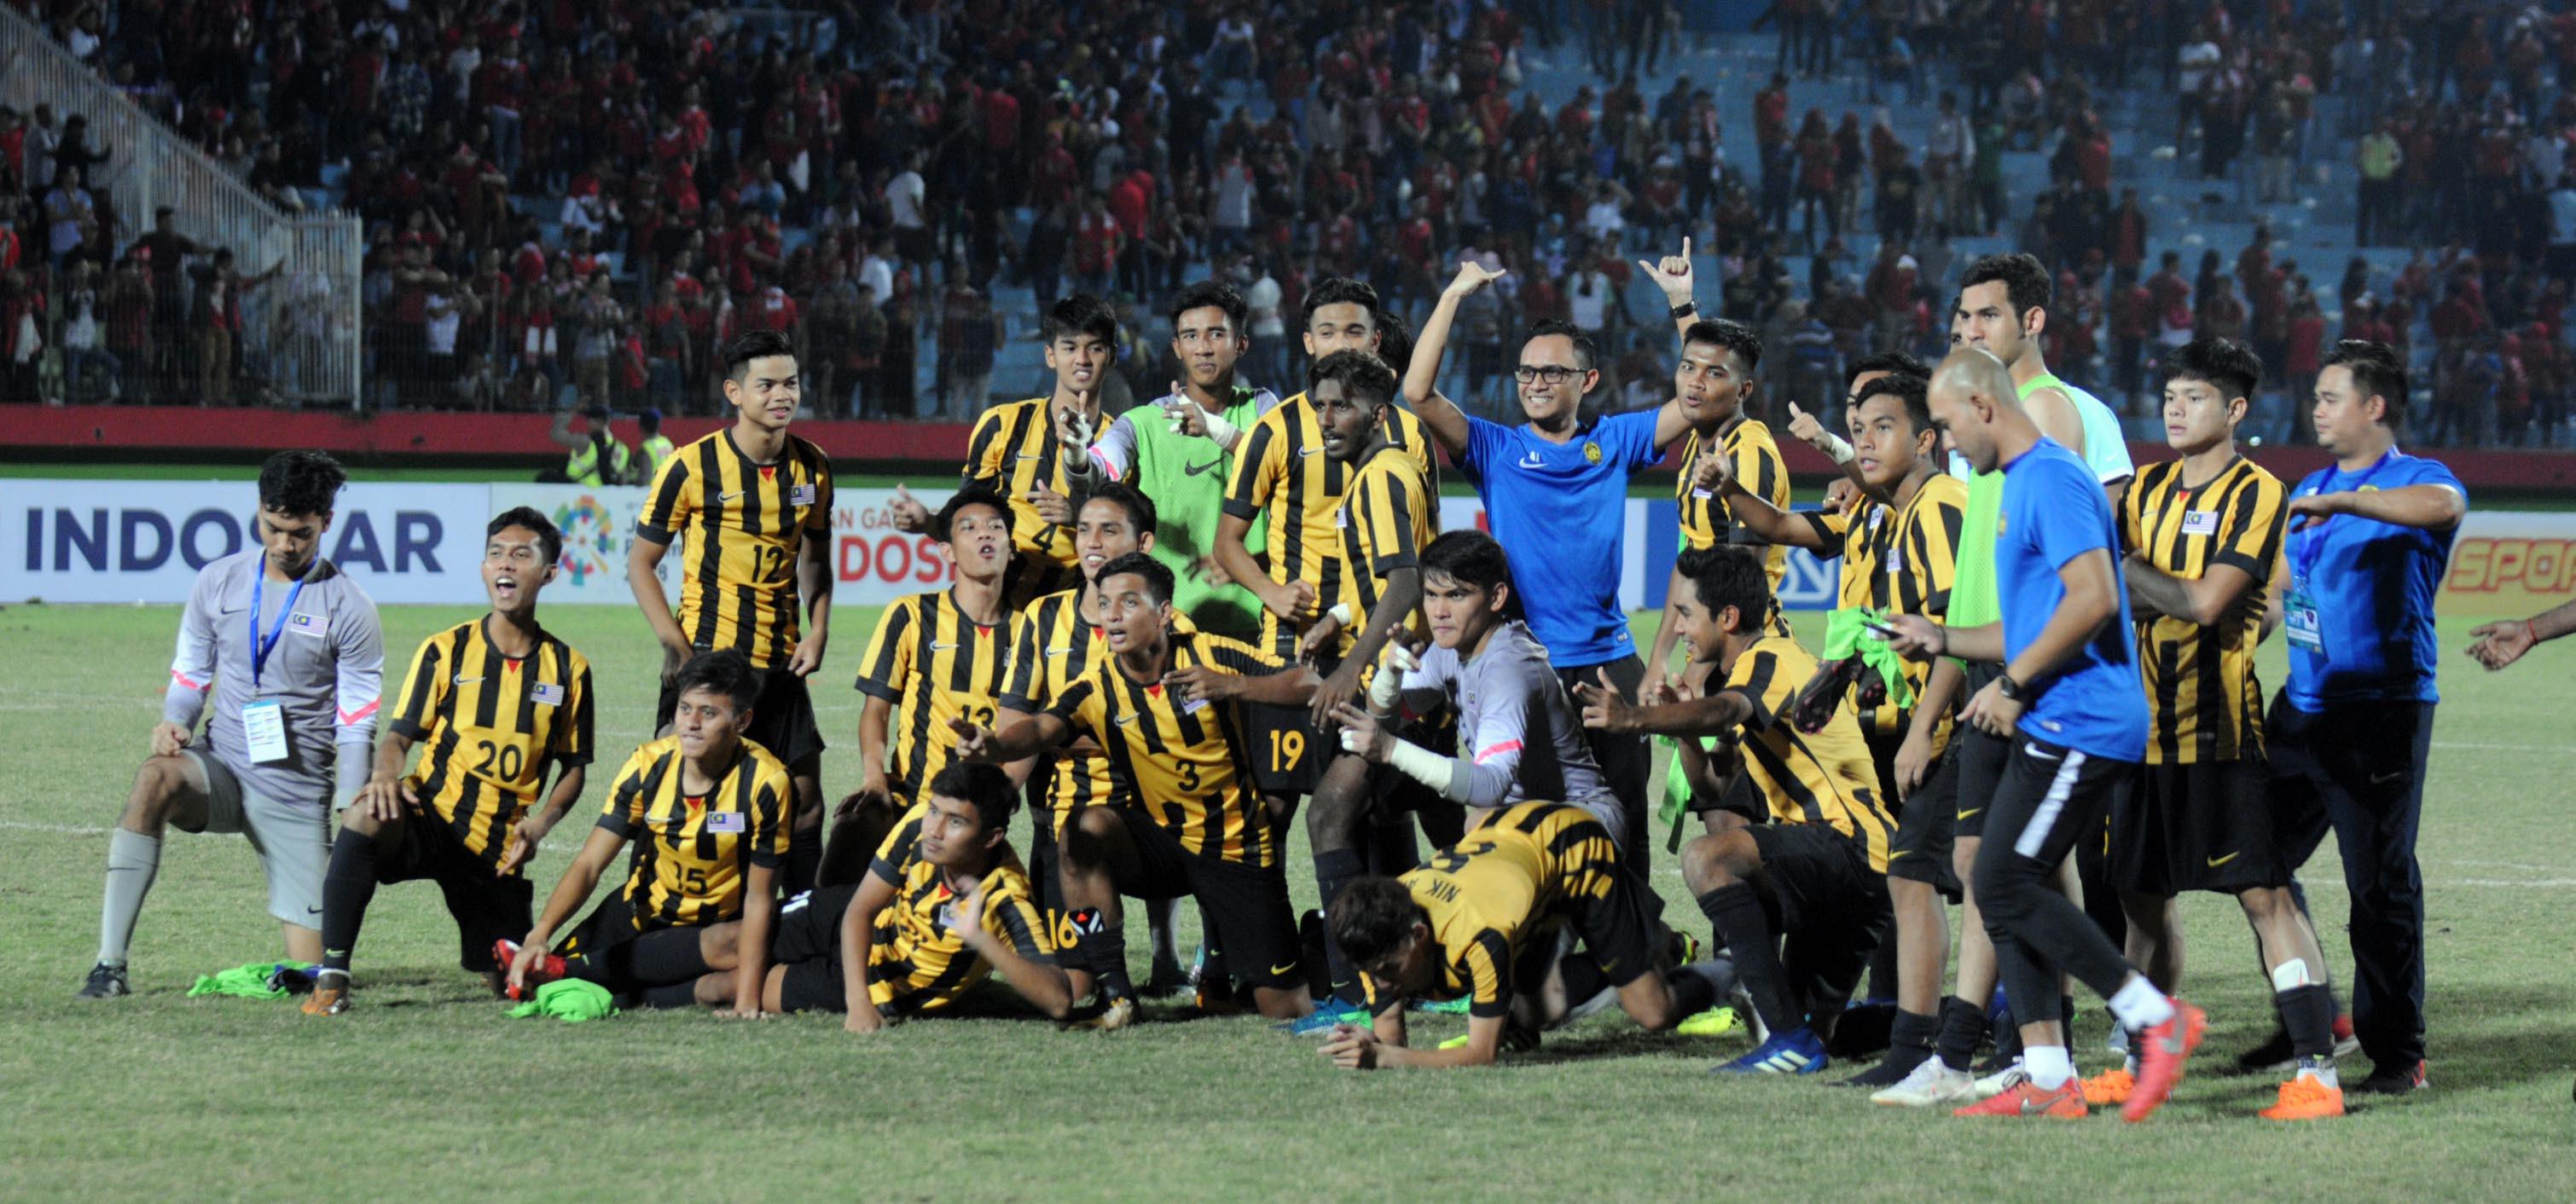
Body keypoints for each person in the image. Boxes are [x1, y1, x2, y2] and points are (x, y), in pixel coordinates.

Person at [1884, 348, 2199, 1122]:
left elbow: (2093, 598)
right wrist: (1944, 640)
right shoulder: (2021, 482)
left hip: (2085, 719)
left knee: (2004, 882)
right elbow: (2030, 621)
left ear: (1984, 407)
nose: (1950, 444)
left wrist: (2017, 685)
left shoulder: (2053, 480)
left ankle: (2157, 1019)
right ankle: (2051, 1077)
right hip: (2056, 715)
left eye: (1951, 425)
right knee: (1996, 881)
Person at [2091, 337, 2345, 1120]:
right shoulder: (2146, 490)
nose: (2174, 408)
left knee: (2265, 898)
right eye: (2169, 395)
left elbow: (2203, 602)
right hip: (2140, 737)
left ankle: (2317, 1073)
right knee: (2139, 902)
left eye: (2193, 397)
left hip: (2221, 735)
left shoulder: (2256, 492)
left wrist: (2116, 559)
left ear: (2235, 410)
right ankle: (2145, 1059)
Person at [1696, 368, 1970, 1087]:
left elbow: (1955, 632)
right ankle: (1939, 1029)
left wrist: (1922, 731)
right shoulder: (1875, 513)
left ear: (1927, 437)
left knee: (1950, 884)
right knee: (1904, 889)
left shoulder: (1942, 506)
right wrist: (1726, 488)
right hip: (1881, 734)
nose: (1865, 439)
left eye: (1883, 426)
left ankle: (1966, 1039)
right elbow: (1782, 527)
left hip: (1929, 734)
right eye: (1858, 426)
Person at [1401, 255, 1708, 858]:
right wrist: (1454, 295)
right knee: (1524, 826)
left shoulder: (1614, 441)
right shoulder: (1495, 447)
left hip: (1608, 663)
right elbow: (1416, 392)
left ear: (1585, 381)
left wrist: (1682, 306)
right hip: (1521, 664)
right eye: (1526, 373)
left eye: (1551, 373)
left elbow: (1699, 399)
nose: (1535, 383)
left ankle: (1632, 947)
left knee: (1622, 828)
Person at [955, 553, 1321, 1028]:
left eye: (1128, 603)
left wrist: (1234, 686)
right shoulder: (1097, 685)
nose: (1112, 615)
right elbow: (1045, 728)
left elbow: (1310, 682)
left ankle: (1319, 941)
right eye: (1105, 603)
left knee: (1283, 1007)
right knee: (1082, 831)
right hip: (1160, 844)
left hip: (1234, 846)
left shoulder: (1210, 652)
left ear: (1164, 612)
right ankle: (1116, 994)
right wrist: (997, 746)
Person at [1579, 547, 1895, 1076]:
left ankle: (1777, 1028)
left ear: (1727, 618)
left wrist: (1635, 719)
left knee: (1707, 860)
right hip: (1853, 871)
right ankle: (1978, 1019)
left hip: (1851, 849)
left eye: (1685, 614)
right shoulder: (1750, 669)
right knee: (1828, 1034)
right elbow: (1717, 783)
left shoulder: (1770, 659)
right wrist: (1679, 726)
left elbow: (1729, 710)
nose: (1677, 629)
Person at [80, 451, 386, 999]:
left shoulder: (350, 606)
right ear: (259, 510)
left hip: (296, 791)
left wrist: (350, 800)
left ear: (326, 523)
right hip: (222, 767)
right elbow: (192, 670)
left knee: (313, 975)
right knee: (155, 777)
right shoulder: (217, 582)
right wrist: (175, 721)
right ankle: (108, 966)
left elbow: (358, 714)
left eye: (300, 533)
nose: (284, 544)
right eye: (273, 527)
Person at [2269, 339, 2466, 1097]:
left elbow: (2443, 509)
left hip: (2379, 712)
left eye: (2329, 396)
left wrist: (2347, 502)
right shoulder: (2311, 487)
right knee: (2255, 863)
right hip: (2302, 710)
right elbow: (2282, 589)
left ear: (2374, 407)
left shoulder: (2417, 481)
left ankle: (2398, 1054)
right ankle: (2315, 1012)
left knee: (2377, 888)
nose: (2315, 407)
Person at [305, 508, 595, 1014]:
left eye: (521, 555)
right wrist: (383, 776)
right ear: (484, 569)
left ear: (549, 573)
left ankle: (498, 946)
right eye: (496, 554)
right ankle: (332, 975)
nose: (506, 564)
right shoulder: (446, 650)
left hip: (496, 847)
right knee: (367, 813)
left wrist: (541, 823)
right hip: (430, 817)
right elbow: (399, 736)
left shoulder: (569, 669)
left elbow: (574, 767)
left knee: (510, 983)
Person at [1212, 276, 1433, 798]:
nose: (1342, 343)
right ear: (1308, 342)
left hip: (1383, 647)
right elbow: (1228, 542)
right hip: (1295, 646)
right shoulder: (1277, 428)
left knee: (1379, 809)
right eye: (1328, 332)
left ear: (1375, 341)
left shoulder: (1409, 433)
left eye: (1355, 332)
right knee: (1276, 802)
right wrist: (1272, 594)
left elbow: (1424, 551)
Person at [629, 330, 834, 892]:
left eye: (789, 383)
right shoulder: (691, 466)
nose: (781, 395)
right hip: (708, 663)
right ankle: (645, 914)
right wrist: (674, 644)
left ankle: (797, 930)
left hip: (780, 664)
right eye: (766, 385)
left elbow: (816, 560)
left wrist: (817, 630)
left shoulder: (812, 467)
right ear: (734, 393)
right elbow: (641, 564)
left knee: (805, 802)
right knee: (675, 795)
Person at [1279, 350, 1442, 1023]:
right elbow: (1380, 581)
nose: (1325, 419)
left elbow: (1406, 581)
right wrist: (1337, 620)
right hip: (1410, 671)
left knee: (1330, 814)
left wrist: (1352, 666)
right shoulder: (1383, 471)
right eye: (1319, 405)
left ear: (1377, 412)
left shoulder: (1379, 476)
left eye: (1340, 405)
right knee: (1391, 813)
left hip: (1397, 678)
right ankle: (1417, 975)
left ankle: (1352, 994)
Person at [1317, 802, 1726, 1069]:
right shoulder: (1375, 933)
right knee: (1531, 1018)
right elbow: (1393, 1040)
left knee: (1653, 1012)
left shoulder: (1478, 933)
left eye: (1388, 970)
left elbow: (1481, 1054)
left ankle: (1728, 970)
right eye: (1374, 973)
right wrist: (1371, 1048)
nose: (1384, 983)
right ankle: (1654, 943)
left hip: (1573, 850)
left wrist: (1386, 1059)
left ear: (1419, 935)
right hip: (1512, 854)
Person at [504, 651, 790, 1011]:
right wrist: (540, 933)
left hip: (712, 932)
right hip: (640, 915)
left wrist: (748, 1001)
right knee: (540, 980)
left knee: (631, 992)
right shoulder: (648, 765)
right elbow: (590, 865)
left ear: (743, 721)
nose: (691, 723)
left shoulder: (767, 782)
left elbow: (760, 896)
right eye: (685, 709)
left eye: (709, 712)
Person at [693, 762, 1072, 1026]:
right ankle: (631, 970)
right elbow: (861, 909)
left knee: (721, 987)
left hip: (882, 981)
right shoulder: (922, 828)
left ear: (992, 838)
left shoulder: (1006, 897)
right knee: (725, 940)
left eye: (955, 822)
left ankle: (642, 993)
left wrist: (981, 940)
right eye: (935, 813)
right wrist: (857, 1005)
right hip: (852, 921)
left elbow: (1058, 1001)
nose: (935, 830)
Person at [1014, 483, 1192, 996]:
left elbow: (1173, 729)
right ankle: (1112, 978)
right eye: (1084, 529)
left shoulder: (1174, 625)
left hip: (1153, 813)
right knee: (1073, 988)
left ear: (1144, 543)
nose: (1092, 542)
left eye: (1109, 530)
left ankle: (1173, 957)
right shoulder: (1043, 617)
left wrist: (1072, 734)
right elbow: (1020, 720)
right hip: (1065, 815)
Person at [833, 487, 1038, 885]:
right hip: (910, 796)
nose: (985, 535)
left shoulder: (1030, 630)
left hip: (976, 811)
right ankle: (824, 931)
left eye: (996, 528)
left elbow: (1029, 729)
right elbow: (876, 709)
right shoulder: (910, 614)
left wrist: (998, 798)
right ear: (946, 550)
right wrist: (875, 779)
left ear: (1011, 549)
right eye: (970, 527)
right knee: (850, 827)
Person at [888, 294, 1119, 608]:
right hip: (1000, 607)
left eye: (1095, 348)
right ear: (1050, 355)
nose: (1082, 359)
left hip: (1076, 613)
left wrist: (1079, 516)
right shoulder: (1002, 425)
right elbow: (967, 518)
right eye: (1069, 347)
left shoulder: (1121, 443)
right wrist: (927, 523)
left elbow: (1132, 540)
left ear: (1112, 355)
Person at [1088, 279, 1283, 637]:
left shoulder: (1263, 409)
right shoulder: (1142, 423)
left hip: (1259, 627)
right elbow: (1101, 464)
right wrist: (1077, 460)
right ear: (1177, 348)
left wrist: (1215, 429)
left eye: (1215, 335)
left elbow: (1282, 465)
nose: (1203, 348)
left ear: (1241, 344)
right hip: (1171, 631)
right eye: (1190, 337)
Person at [547, 405, 634, 486]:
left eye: (589, 420)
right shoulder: (623, 449)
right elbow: (623, 480)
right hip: (605, 497)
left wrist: (573, 411)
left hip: (579, 495)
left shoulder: (585, 442)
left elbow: (556, 434)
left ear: (599, 421)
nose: (587, 423)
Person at [635, 408, 676, 482]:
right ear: (659, 426)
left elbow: (645, 478)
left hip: (652, 491)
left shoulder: (646, 448)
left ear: (641, 426)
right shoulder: (668, 444)